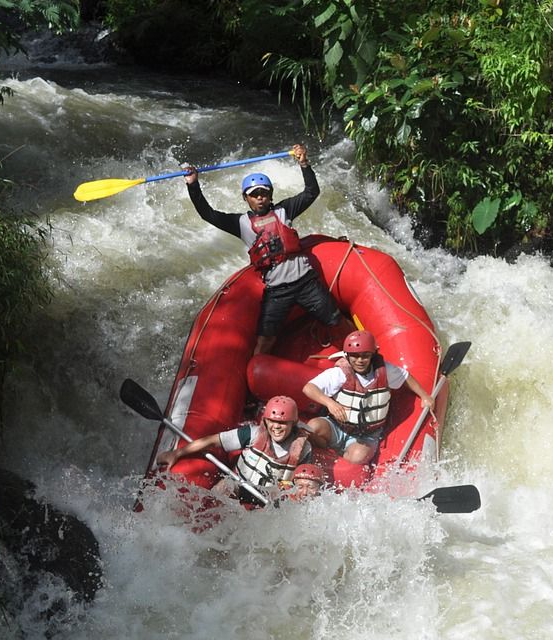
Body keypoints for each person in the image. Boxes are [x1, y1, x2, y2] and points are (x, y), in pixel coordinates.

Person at [182, 144, 353, 355]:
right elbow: (208, 214)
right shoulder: (241, 223)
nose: (260, 197)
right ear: (246, 198)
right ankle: (258, 375)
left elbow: (312, 192)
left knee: (337, 322)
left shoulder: (285, 209)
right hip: (277, 291)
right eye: (254, 194)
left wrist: (303, 163)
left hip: (306, 282)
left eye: (264, 193)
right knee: (264, 342)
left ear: (271, 195)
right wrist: (193, 184)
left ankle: (364, 352)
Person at [302, 330, 433, 465]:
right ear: (347, 355)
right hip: (336, 426)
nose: (359, 360)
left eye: (365, 356)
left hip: (368, 434)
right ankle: (326, 453)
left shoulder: (384, 370)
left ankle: (345, 464)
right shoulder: (339, 373)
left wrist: (424, 396)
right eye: (355, 356)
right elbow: (309, 388)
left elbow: (406, 377)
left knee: (357, 457)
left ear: (373, 354)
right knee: (313, 427)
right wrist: (330, 403)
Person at [155, 395, 312, 498]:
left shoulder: (303, 448)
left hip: (269, 496)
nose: (277, 427)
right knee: (227, 485)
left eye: (283, 423)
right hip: (238, 484)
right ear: (265, 421)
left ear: (293, 423)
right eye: (273, 421)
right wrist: (177, 453)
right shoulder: (252, 433)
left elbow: (300, 481)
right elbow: (211, 441)